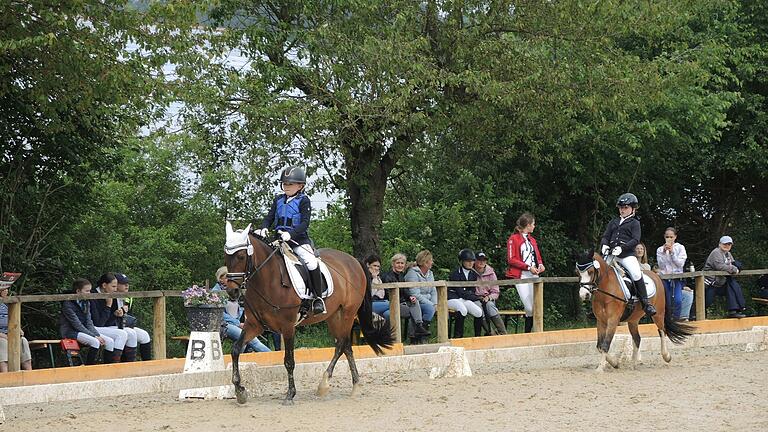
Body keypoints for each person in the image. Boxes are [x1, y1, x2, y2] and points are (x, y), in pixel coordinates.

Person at [254, 166, 325, 315]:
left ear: (300, 186)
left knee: (311, 262)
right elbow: (269, 217)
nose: (286, 187)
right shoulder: (278, 199)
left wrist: (291, 234)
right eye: (285, 184)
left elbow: (305, 223)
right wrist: (264, 227)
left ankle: (318, 298)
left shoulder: (304, 200)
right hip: (279, 239)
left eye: (290, 184)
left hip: (298, 240)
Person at [599, 193, 656, 316]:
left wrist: (622, 248)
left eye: (625, 207)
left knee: (636, 273)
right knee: (600, 273)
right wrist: (604, 245)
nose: (622, 210)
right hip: (611, 254)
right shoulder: (613, 222)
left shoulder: (635, 223)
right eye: (621, 208)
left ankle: (646, 303)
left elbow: (636, 240)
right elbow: (606, 236)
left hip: (626, 255)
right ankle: (597, 303)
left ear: (632, 209)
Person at [211, 267, 271, 353]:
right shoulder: (215, 292)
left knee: (244, 342)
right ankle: (274, 356)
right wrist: (238, 324)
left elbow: (241, 308)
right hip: (223, 325)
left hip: (237, 324)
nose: (231, 280)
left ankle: (238, 361)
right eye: (227, 277)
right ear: (220, 279)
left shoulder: (233, 290)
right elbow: (220, 314)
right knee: (250, 340)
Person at [507, 212, 546, 332]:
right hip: (521, 275)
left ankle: (533, 333)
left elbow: (537, 255)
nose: (534, 226)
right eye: (533, 224)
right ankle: (527, 333)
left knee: (536, 306)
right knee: (529, 308)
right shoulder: (513, 239)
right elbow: (511, 259)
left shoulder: (532, 240)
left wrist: (540, 264)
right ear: (528, 225)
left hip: (534, 274)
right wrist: (528, 267)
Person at [60, 278, 115, 365]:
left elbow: (89, 322)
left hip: (84, 331)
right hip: (70, 332)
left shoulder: (86, 303)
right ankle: (89, 366)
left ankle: (108, 366)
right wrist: (94, 336)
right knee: (95, 342)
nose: (90, 293)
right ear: (78, 291)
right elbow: (76, 324)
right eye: (87, 291)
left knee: (110, 341)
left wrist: (96, 334)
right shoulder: (67, 304)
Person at [380, 253, 430, 342]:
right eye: (398, 263)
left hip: (402, 303)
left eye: (402, 263)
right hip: (391, 304)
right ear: (393, 264)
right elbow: (389, 294)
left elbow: (405, 290)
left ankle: (418, 329)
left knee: (415, 302)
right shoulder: (387, 276)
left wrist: (410, 297)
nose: (400, 265)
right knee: (414, 310)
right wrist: (404, 300)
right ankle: (415, 334)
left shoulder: (401, 275)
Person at [89, 273, 130, 363]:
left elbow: (108, 321)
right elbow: (98, 323)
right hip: (92, 327)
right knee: (121, 334)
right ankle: (114, 364)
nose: (116, 290)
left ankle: (125, 363)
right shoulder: (93, 296)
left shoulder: (109, 295)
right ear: (104, 285)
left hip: (104, 326)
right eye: (113, 286)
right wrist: (108, 306)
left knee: (128, 333)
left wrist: (115, 314)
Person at [703, 236, 746, 318]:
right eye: (725, 244)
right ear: (720, 244)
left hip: (721, 282)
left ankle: (733, 311)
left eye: (729, 244)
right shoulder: (716, 252)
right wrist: (734, 269)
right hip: (710, 282)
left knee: (732, 286)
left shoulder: (728, 254)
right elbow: (720, 266)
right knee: (706, 302)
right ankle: (695, 315)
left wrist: (736, 267)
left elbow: (733, 264)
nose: (727, 246)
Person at [114, 273, 152, 360]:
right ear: (116, 285)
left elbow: (129, 316)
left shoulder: (128, 297)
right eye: (123, 283)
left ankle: (147, 363)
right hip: (114, 325)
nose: (127, 285)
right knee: (130, 334)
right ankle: (126, 362)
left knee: (145, 335)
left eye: (127, 283)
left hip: (124, 325)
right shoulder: (110, 296)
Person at [448, 249, 484, 338]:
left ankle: (477, 337)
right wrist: (476, 297)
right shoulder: (455, 274)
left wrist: (474, 296)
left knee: (479, 312)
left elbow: (471, 290)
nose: (470, 263)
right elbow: (460, 292)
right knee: (462, 309)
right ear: (462, 261)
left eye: (472, 261)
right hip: (453, 298)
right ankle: (458, 337)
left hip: (465, 298)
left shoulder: (473, 274)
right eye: (468, 261)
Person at [404, 250, 438, 342]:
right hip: (414, 301)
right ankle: (419, 335)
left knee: (436, 308)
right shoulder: (412, 273)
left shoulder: (430, 273)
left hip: (427, 301)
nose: (432, 262)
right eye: (430, 260)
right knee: (429, 308)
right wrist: (431, 304)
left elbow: (433, 290)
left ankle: (421, 334)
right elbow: (415, 293)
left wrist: (435, 303)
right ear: (425, 262)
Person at [655, 227, 688, 320]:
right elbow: (661, 266)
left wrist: (672, 253)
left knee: (678, 300)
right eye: (667, 236)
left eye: (671, 237)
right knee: (667, 301)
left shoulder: (680, 248)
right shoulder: (659, 249)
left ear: (675, 237)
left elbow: (680, 264)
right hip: (665, 277)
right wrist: (664, 253)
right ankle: (667, 320)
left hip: (677, 277)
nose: (669, 238)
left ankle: (676, 319)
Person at [0, 283, 33, 371]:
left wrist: (19, 330)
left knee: (23, 341)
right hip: (2, 336)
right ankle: (6, 376)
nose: (6, 291)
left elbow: (13, 320)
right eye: (3, 289)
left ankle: (29, 376)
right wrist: (3, 335)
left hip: (10, 333)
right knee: (2, 342)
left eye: (7, 289)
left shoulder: (6, 305)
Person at [473, 251, 506, 335]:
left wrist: (489, 297)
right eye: (479, 260)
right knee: (479, 308)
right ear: (475, 261)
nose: (482, 262)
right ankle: (491, 333)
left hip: (488, 298)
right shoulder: (470, 272)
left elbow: (496, 291)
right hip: (475, 298)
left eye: (484, 260)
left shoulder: (491, 272)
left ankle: (503, 333)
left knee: (490, 305)